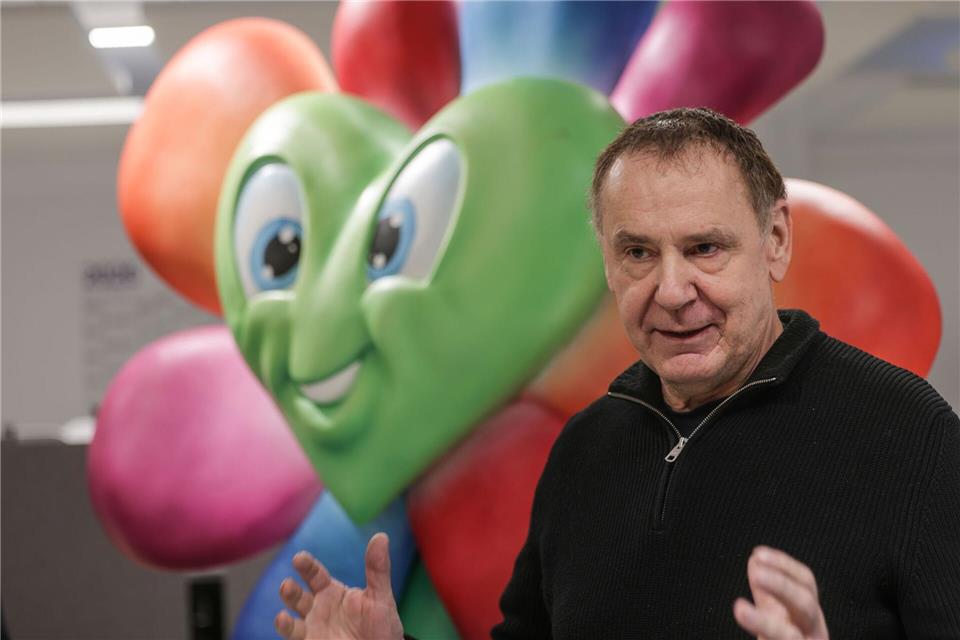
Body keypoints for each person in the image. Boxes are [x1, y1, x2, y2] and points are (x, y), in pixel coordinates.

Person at [274, 108, 960, 639]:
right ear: (606, 261)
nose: (671, 289)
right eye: (638, 252)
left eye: (704, 248)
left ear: (775, 240)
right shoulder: (585, 451)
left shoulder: (910, 434)